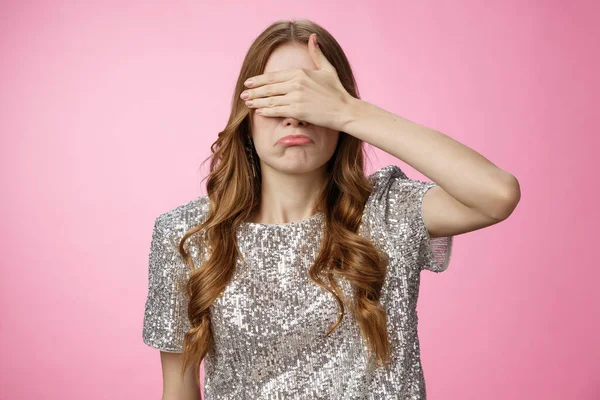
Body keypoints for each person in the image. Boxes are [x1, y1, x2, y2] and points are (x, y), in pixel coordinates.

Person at [142, 19, 520, 400]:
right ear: (247, 114)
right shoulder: (187, 234)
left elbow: (496, 194)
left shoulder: (389, 212)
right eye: (276, 95)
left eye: (311, 96)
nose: (295, 115)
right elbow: (179, 387)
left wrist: (349, 112)